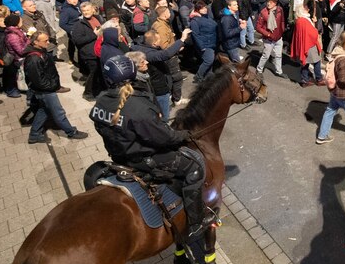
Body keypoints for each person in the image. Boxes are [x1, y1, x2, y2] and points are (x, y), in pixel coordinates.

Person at [89, 55, 216, 239]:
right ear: (133, 74)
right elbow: (163, 138)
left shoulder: (101, 101)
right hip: (144, 160)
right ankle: (196, 223)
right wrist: (184, 134)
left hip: (119, 157)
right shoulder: (139, 106)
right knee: (194, 168)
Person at [22, 31, 89, 144]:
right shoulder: (33, 59)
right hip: (45, 91)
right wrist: (53, 86)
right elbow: (39, 81)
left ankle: (34, 135)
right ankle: (71, 132)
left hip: (45, 90)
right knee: (58, 113)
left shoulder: (40, 51)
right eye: (45, 41)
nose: (48, 43)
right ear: (36, 42)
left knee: (44, 110)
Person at [290, 5, 323, 86]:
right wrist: (315, 25)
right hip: (309, 44)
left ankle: (304, 79)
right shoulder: (304, 21)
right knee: (317, 61)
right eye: (305, 9)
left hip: (305, 44)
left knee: (306, 62)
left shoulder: (299, 20)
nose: (307, 9)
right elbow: (313, 33)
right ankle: (319, 78)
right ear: (301, 11)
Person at [255, 0, 285, 76]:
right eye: (268, 1)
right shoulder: (263, 12)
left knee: (278, 55)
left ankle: (279, 72)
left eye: (271, 2)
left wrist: (282, 30)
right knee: (266, 55)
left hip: (278, 38)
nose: (268, 3)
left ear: (275, 3)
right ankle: (259, 69)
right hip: (269, 39)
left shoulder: (280, 10)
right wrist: (267, 34)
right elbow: (258, 27)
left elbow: (282, 21)